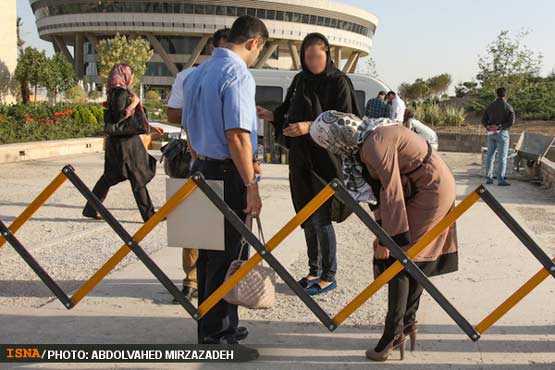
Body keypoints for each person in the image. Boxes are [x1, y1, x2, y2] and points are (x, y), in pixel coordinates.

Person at [310, 110, 459, 362]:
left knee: (401, 260)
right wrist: (382, 233)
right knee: (412, 257)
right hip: (425, 185)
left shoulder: (373, 145)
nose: (329, 149)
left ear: (336, 137)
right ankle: (407, 322)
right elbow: (378, 193)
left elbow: (391, 193)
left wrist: (390, 241)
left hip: (430, 188)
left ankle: (392, 335)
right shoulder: (367, 140)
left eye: (326, 142)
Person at [182, 15, 267, 354]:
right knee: (228, 254)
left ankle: (215, 323)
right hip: (228, 173)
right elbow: (237, 135)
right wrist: (252, 184)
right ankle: (218, 334)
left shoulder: (197, 73)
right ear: (253, 43)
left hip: (200, 168)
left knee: (207, 255)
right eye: (258, 51)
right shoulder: (237, 74)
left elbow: (188, 129)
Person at [256, 33, 361, 296]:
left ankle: (329, 275)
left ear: (328, 55)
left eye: (317, 56)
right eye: (307, 56)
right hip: (300, 158)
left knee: (321, 217)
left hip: (326, 160)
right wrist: (270, 115)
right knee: (305, 216)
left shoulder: (339, 82)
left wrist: (310, 127)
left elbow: (348, 122)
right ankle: (313, 270)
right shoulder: (300, 79)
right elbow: (287, 111)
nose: (312, 61)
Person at [166, 28, 231, 303]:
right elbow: (171, 113)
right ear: (213, 49)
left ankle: (222, 285)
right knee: (193, 223)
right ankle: (191, 279)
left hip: (227, 160)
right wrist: (202, 111)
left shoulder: (237, 75)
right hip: (194, 157)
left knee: (224, 228)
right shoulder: (188, 75)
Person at [83, 64, 163, 222]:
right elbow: (121, 118)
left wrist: (150, 126)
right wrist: (134, 103)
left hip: (120, 143)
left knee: (110, 177)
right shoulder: (121, 93)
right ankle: (149, 215)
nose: (132, 78)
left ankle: (91, 208)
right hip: (126, 145)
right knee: (137, 176)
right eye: (131, 74)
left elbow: (126, 118)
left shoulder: (116, 92)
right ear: (125, 75)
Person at [482, 87, 515, 186]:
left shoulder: (490, 106)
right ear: (505, 95)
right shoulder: (508, 106)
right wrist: (500, 127)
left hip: (491, 134)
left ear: (496, 94)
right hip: (502, 133)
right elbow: (511, 122)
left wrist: (489, 127)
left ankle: (489, 178)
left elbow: (483, 119)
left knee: (490, 157)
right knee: (502, 157)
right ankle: (500, 179)